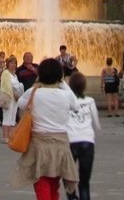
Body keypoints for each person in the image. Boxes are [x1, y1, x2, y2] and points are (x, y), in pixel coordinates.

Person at [11, 58, 80, 200]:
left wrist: (37, 84)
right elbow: (76, 105)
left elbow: (21, 104)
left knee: (41, 183)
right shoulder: (66, 95)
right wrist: (62, 83)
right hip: (60, 144)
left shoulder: (33, 92)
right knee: (54, 184)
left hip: (39, 144)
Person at [66, 71, 100, 200]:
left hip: (70, 140)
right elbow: (96, 124)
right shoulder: (90, 101)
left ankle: (72, 197)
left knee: (68, 178)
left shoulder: (66, 102)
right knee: (84, 182)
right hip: (87, 140)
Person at [0, 55, 25, 142]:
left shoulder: (14, 75)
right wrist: (14, 94)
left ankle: (11, 136)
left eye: (15, 63)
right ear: (8, 64)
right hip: (9, 97)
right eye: (11, 63)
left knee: (13, 117)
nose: (13, 65)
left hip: (15, 99)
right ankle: (5, 136)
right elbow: (6, 86)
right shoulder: (6, 73)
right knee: (7, 116)